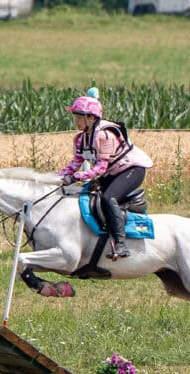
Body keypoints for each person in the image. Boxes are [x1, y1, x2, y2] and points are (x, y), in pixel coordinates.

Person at [58, 88, 153, 260]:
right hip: (113, 171)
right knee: (87, 195)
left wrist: (75, 177)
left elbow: (100, 168)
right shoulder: (80, 139)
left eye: (79, 117)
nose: (76, 121)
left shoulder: (105, 135)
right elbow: (75, 164)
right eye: (75, 117)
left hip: (132, 169)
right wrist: (55, 178)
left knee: (108, 197)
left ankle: (121, 244)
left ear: (91, 118)